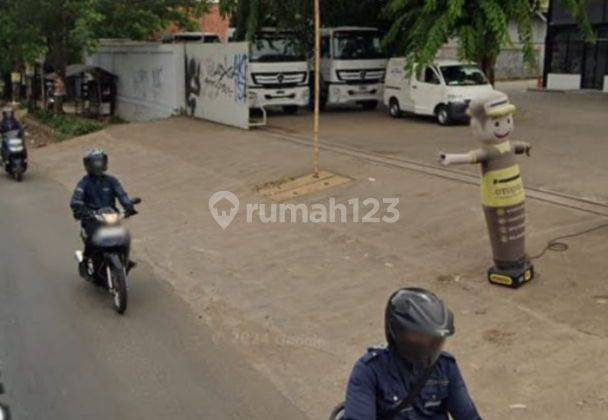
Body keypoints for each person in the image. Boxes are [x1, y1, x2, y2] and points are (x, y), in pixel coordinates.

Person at [344, 288, 481, 420]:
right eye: (419, 336)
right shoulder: (369, 370)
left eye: (434, 339)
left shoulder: (446, 367)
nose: (427, 344)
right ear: (397, 332)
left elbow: (468, 416)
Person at [70, 149, 137, 273]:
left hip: (111, 216)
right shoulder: (84, 183)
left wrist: (129, 206)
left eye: (100, 161)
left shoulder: (112, 181)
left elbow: (122, 194)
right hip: (92, 219)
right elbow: (76, 200)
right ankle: (86, 262)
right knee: (93, 240)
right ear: (88, 165)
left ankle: (125, 260)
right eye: (95, 162)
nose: (98, 165)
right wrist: (81, 210)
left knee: (124, 236)